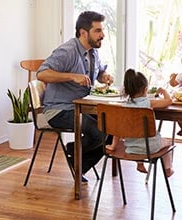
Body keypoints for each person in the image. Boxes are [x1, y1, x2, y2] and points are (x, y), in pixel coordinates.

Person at [36, 11, 114, 183]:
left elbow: (99, 72)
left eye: (102, 30)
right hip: (60, 110)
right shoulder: (68, 50)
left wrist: (104, 76)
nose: (103, 35)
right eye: (98, 30)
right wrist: (71, 76)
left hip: (82, 107)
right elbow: (41, 74)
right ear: (83, 32)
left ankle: (77, 160)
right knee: (100, 133)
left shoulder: (92, 51)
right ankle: (75, 152)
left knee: (113, 130)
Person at [105, 69, 175, 177]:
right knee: (168, 142)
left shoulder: (124, 108)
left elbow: (117, 130)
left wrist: (113, 146)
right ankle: (168, 169)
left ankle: (140, 163)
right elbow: (169, 101)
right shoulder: (149, 103)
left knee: (138, 140)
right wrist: (164, 91)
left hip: (131, 148)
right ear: (145, 89)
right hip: (151, 147)